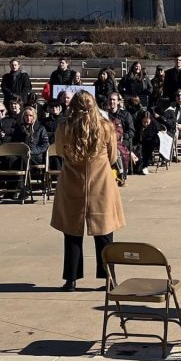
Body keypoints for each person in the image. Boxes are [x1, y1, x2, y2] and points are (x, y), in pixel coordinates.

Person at [50, 91, 126, 292]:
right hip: (100, 183)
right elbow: (112, 156)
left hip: (72, 182)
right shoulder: (106, 128)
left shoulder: (64, 128)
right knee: (105, 233)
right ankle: (109, 279)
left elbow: (59, 152)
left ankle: (71, 279)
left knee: (72, 232)